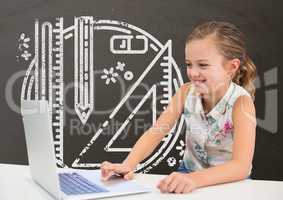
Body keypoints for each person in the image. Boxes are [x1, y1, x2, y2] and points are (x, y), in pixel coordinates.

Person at [100, 21, 257, 194]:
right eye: (189, 64)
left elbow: (240, 167)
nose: (193, 73)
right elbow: (156, 132)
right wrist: (128, 164)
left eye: (203, 65)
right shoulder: (185, 92)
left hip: (228, 182)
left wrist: (194, 179)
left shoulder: (241, 103)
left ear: (231, 67)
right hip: (188, 173)